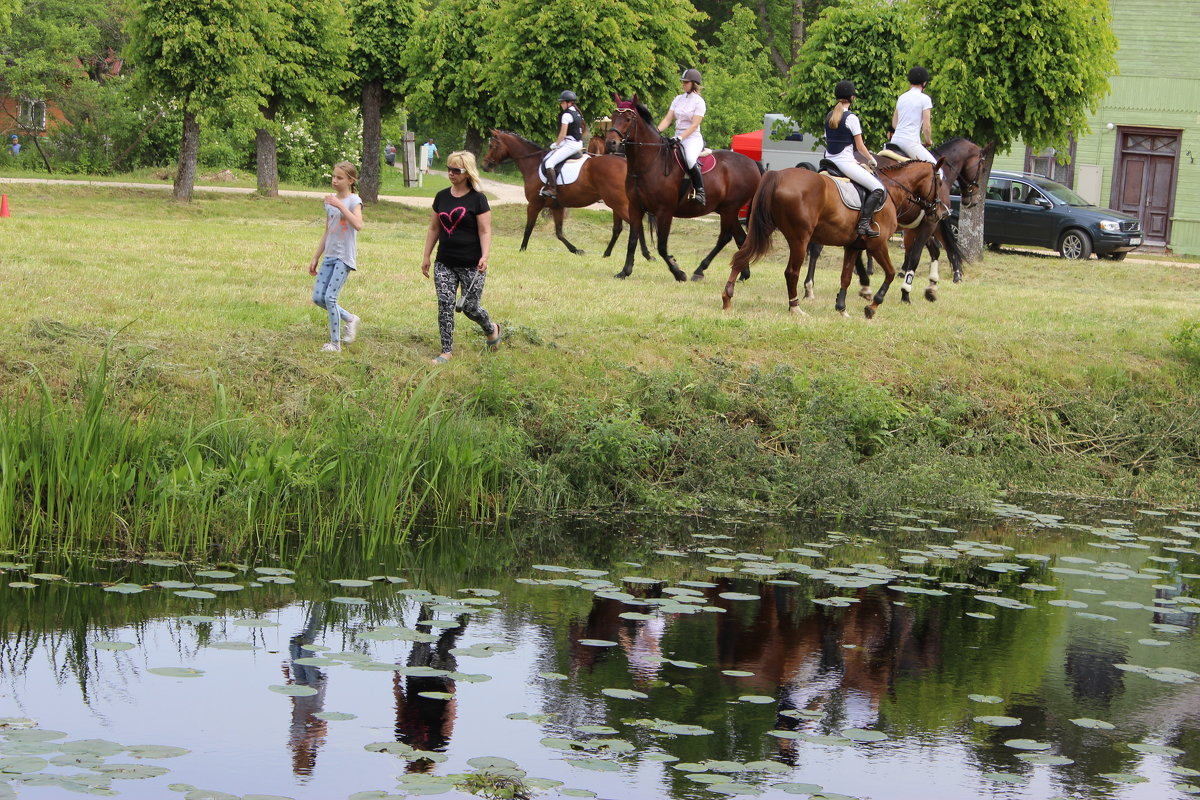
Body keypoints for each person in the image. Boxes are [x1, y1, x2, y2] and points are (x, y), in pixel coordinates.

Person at [420, 151, 500, 364]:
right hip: (445, 262)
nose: (451, 173)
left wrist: (485, 256)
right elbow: (434, 228)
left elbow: (485, 231)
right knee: (445, 304)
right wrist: (426, 255)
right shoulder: (441, 197)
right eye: (449, 169)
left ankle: (492, 328)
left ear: (467, 173)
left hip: (472, 265)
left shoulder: (478, 199)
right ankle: (446, 351)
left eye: (457, 170)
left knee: (470, 307)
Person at [308, 161, 363, 352]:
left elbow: (358, 224)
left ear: (350, 180)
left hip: (344, 257)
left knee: (330, 298)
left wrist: (340, 205)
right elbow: (327, 230)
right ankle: (350, 318)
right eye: (333, 176)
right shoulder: (329, 201)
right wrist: (316, 256)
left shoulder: (354, 201)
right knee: (318, 298)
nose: (334, 180)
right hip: (329, 256)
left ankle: (335, 343)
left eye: (339, 178)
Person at [824, 80, 886, 238]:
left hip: (828, 161)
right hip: (844, 163)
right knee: (878, 188)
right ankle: (863, 224)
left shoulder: (829, 116)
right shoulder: (851, 118)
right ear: (852, 98)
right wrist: (871, 159)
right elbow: (860, 146)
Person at [657, 68, 707, 204]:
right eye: (683, 82)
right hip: (677, 136)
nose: (683, 84)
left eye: (686, 82)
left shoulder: (699, 102)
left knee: (690, 159)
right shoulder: (678, 99)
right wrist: (656, 132)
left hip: (692, 138)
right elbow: (668, 119)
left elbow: (694, 125)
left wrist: (680, 138)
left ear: (694, 84)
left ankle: (700, 191)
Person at [539, 90, 585, 199]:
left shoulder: (567, 115)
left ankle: (552, 189)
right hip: (578, 143)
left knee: (549, 162)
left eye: (562, 102)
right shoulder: (578, 113)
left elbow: (562, 134)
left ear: (569, 103)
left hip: (570, 144)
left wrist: (556, 144)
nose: (561, 104)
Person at [890, 66, 937, 166]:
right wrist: (928, 141)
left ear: (910, 81)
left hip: (895, 141)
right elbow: (926, 127)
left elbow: (894, 124)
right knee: (936, 169)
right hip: (910, 142)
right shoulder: (925, 99)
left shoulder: (902, 97)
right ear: (924, 83)